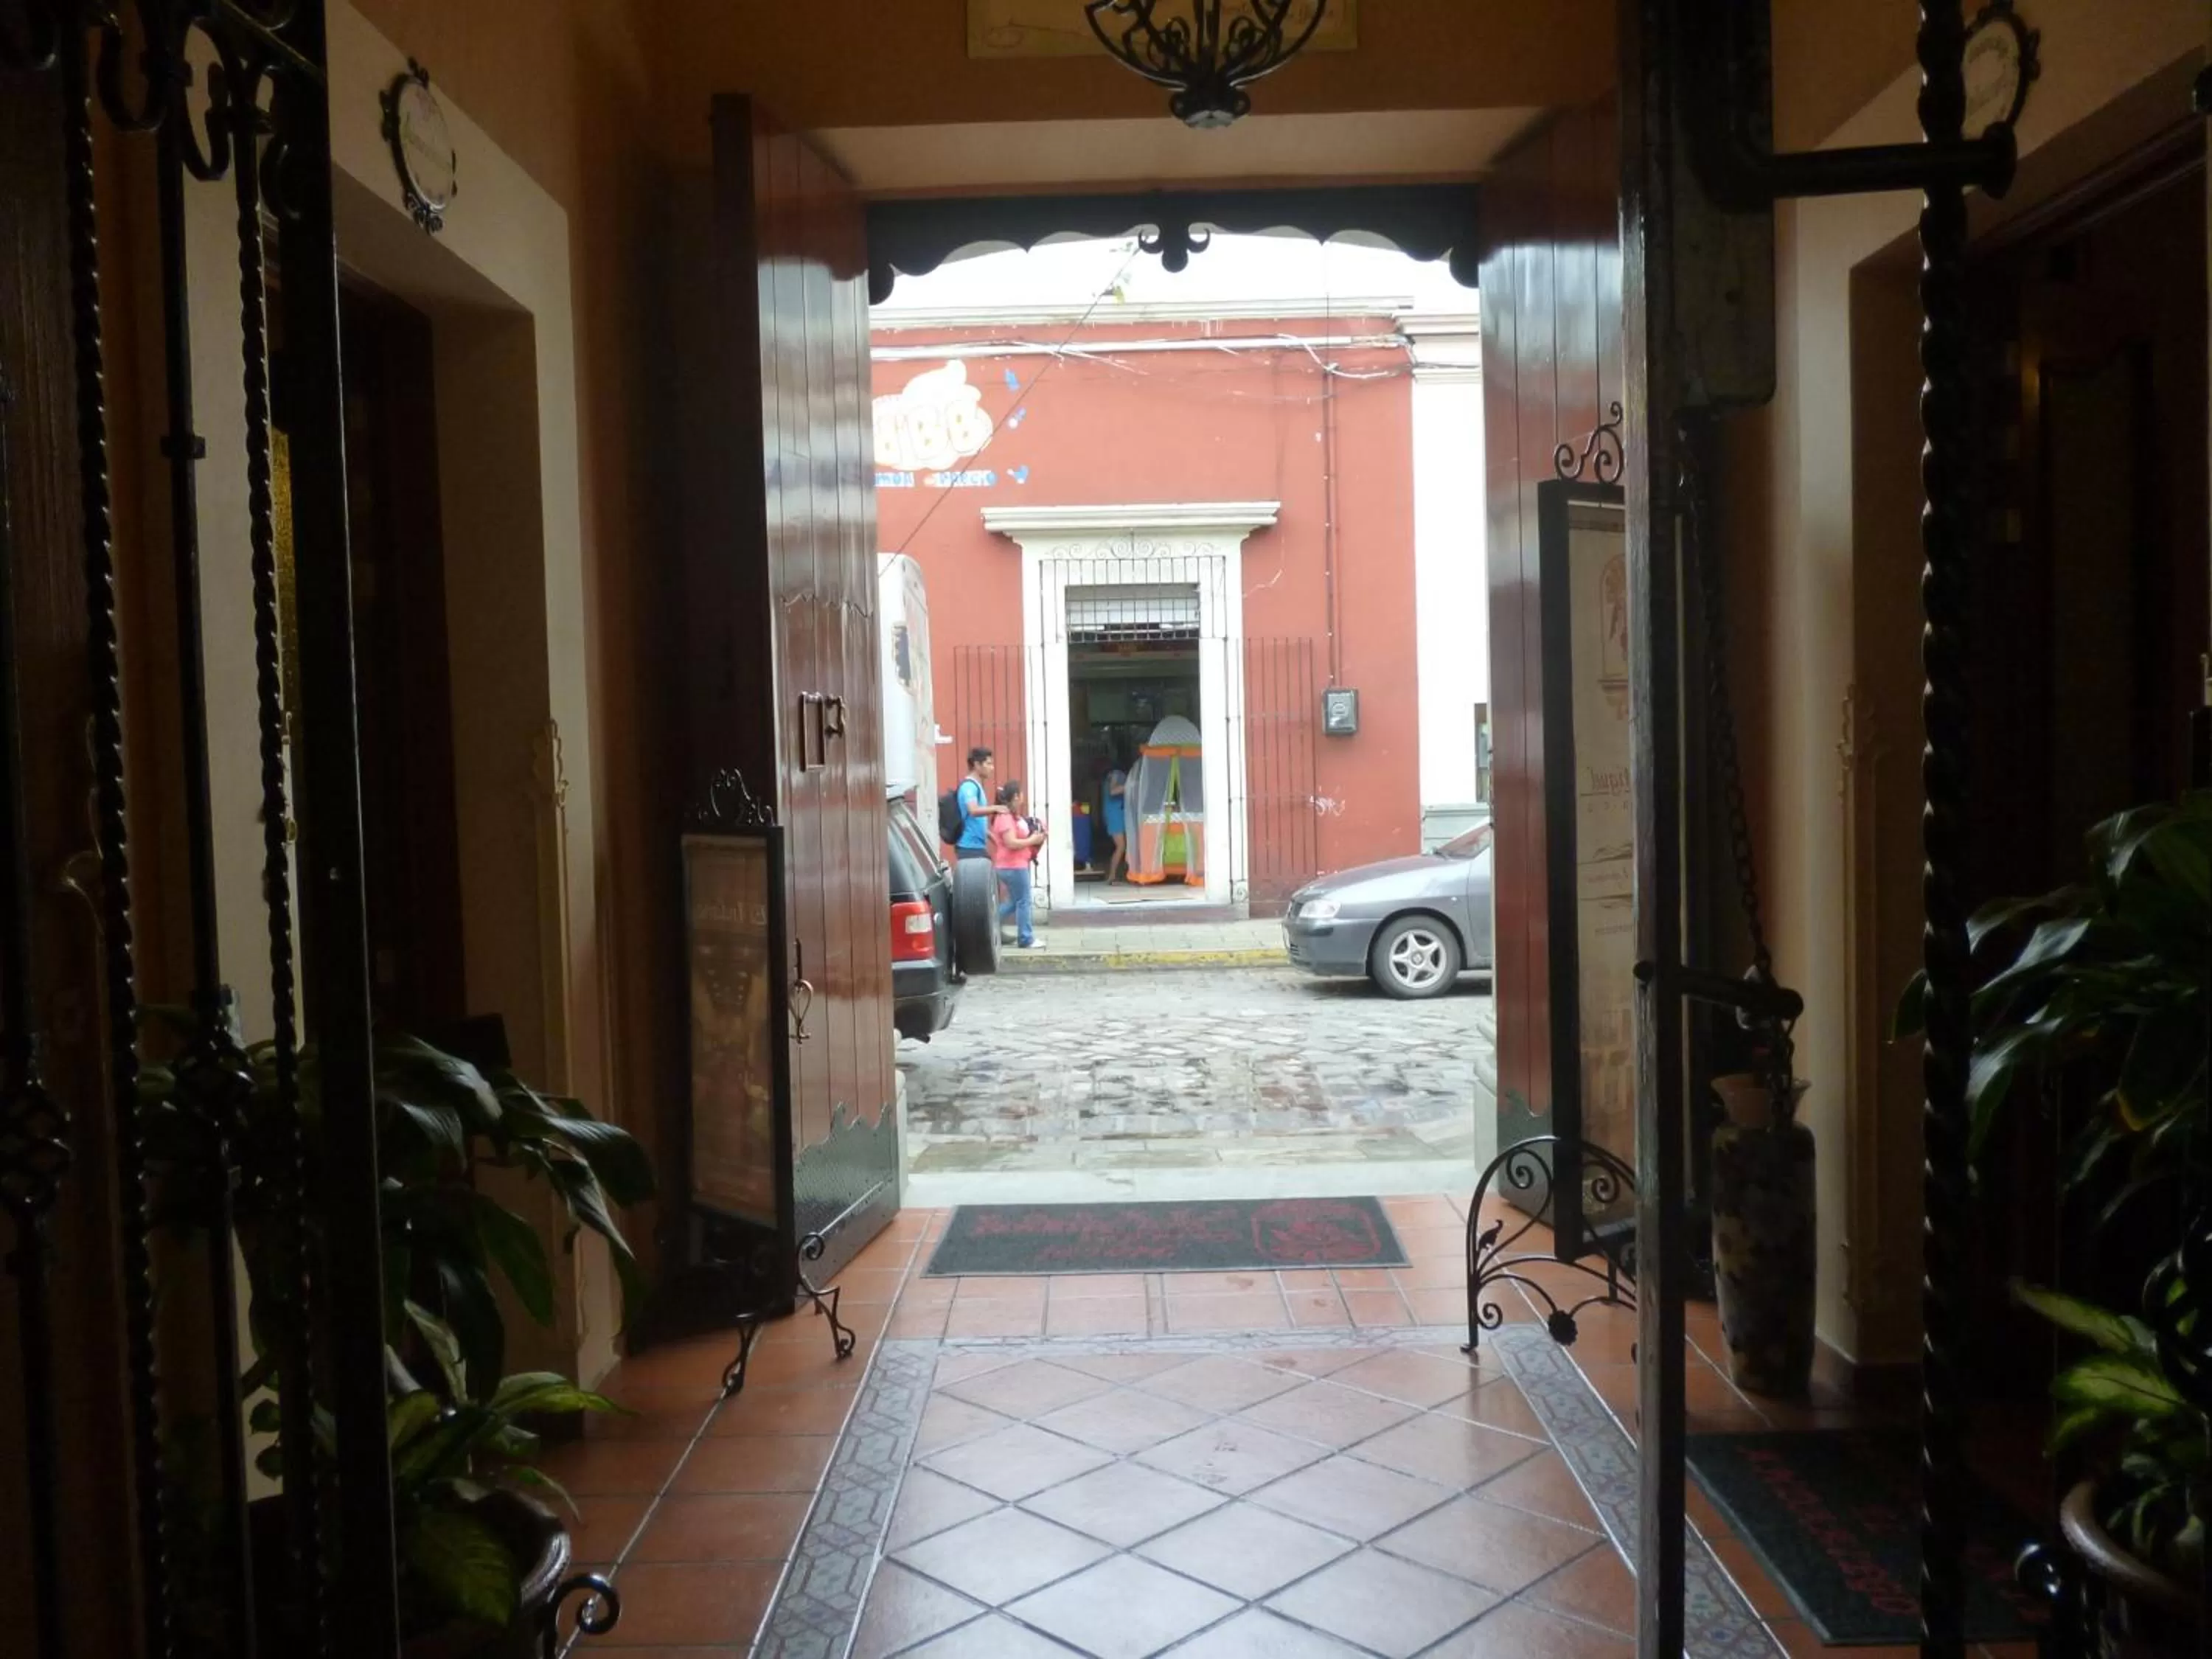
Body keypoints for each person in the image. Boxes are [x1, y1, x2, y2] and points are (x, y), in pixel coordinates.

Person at [990, 780, 1046, 949]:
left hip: (1011, 865)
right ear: (1015, 796)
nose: (1023, 798)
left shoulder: (1010, 816)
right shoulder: (1005, 817)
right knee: (1024, 901)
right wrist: (1032, 840)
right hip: (1013, 866)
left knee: (1015, 902)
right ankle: (1026, 938)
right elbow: (1011, 843)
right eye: (1021, 794)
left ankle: (988, 923)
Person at [955, 746, 1003, 863]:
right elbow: (973, 810)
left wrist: (993, 838)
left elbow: (974, 821)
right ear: (977, 765)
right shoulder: (969, 787)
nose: (992, 768)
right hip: (969, 847)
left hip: (977, 847)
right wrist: (996, 808)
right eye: (988, 764)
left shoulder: (976, 786)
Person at [1102, 753, 1130, 883]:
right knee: (1121, 846)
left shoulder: (1111, 775)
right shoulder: (1116, 774)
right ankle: (1112, 875)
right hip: (1115, 815)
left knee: (1124, 846)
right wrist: (1129, 786)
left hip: (1117, 814)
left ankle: (1121, 873)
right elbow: (1112, 791)